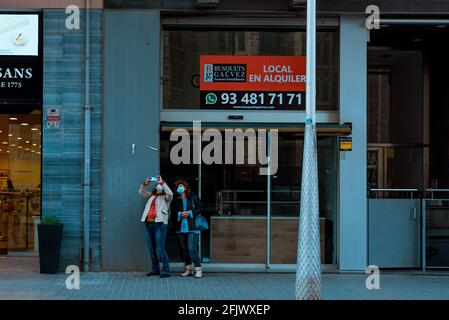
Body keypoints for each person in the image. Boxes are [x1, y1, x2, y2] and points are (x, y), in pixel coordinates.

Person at [139, 175, 173, 278]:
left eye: (160, 185)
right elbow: (142, 192)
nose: (158, 187)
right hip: (149, 224)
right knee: (151, 248)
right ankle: (155, 269)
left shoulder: (166, 198)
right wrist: (146, 182)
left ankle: (166, 270)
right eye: (157, 185)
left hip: (160, 225)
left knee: (160, 247)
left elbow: (170, 193)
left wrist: (162, 183)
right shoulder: (151, 196)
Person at [171, 180, 203, 278]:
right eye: (178, 186)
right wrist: (180, 214)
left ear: (186, 187)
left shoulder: (193, 197)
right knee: (184, 250)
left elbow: (201, 208)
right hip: (180, 228)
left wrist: (189, 213)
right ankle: (188, 268)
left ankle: (198, 269)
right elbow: (173, 212)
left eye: (181, 185)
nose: (180, 187)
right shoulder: (176, 199)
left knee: (192, 248)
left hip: (192, 227)